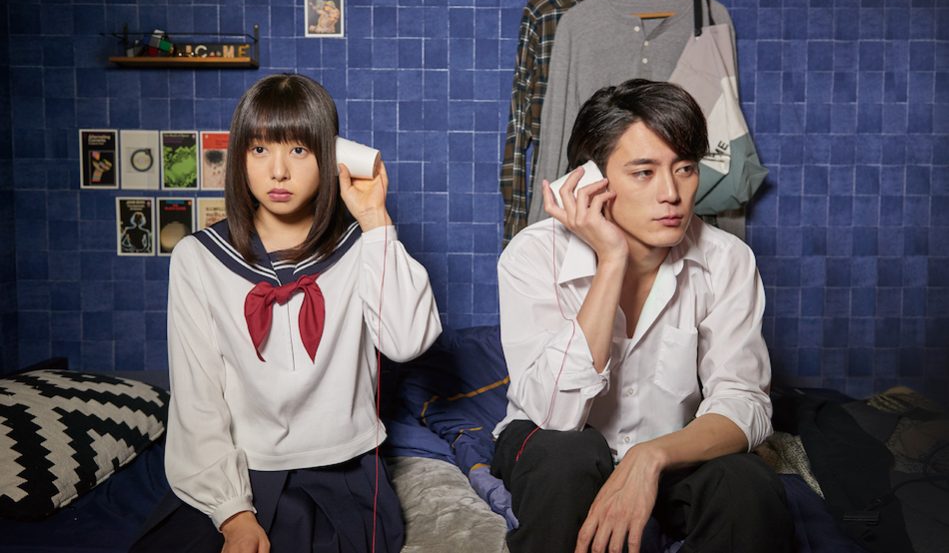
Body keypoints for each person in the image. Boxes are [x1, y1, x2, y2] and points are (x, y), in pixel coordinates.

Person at [131, 74, 442, 553]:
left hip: (346, 472)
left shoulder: (364, 245)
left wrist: (376, 221)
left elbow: (407, 341)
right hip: (239, 472)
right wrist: (233, 514)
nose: (278, 171)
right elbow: (197, 399)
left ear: (330, 156)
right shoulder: (198, 257)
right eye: (259, 150)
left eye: (299, 150)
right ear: (240, 157)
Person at [491, 79, 792, 553]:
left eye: (685, 168)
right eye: (644, 172)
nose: (671, 193)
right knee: (567, 456)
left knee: (746, 484)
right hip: (554, 442)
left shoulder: (727, 259)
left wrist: (651, 457)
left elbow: (744, 402)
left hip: (671, 448)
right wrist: (611, 261)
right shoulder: (533, 255)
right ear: (591, 179)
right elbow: (554, 414)